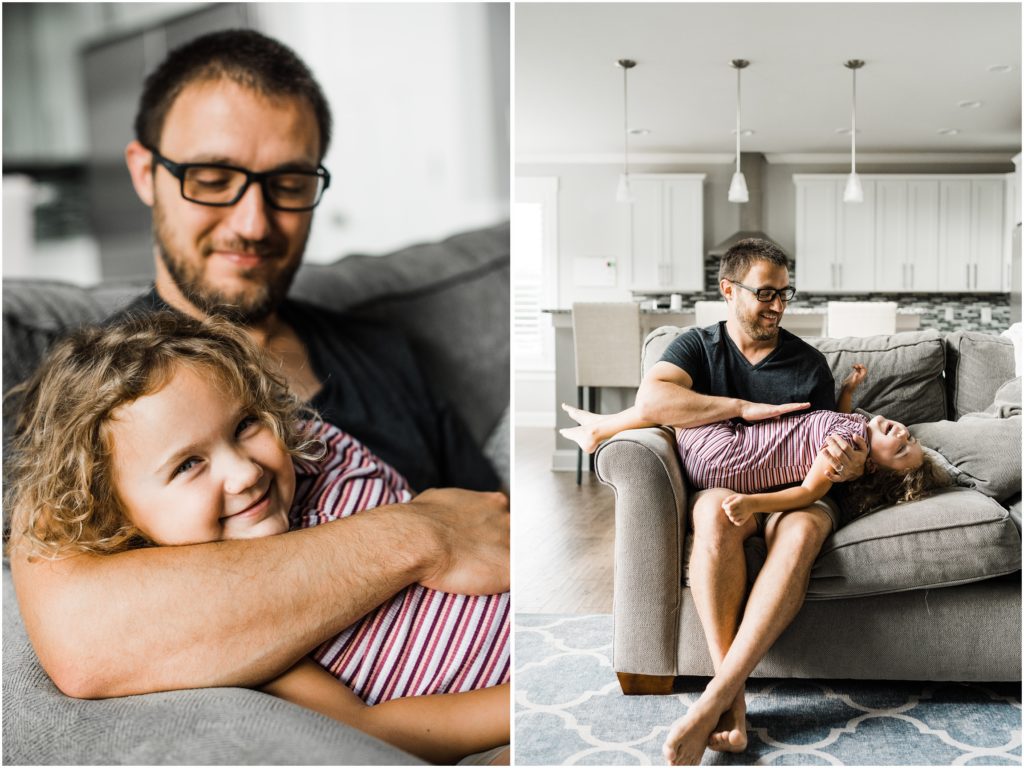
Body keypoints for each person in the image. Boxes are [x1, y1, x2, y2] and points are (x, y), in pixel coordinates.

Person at [7, 28, 510, 709]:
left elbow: (491, 529)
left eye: (289, 183)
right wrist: (415, 534)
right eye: (211, 178)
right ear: (144, 171)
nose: (254, 222)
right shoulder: (99, 401)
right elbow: (85, 643)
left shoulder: (382, 352)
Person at [7, 312, 508, 765]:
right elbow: (372, 731)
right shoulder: (218, 625)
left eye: (246, 424)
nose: (244, 471)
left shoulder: (326, 454)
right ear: (117, 518)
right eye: (188, 464)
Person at [578, 238, 869, 766]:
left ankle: (716, 697)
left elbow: (827, 445)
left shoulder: (808, 364)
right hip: (725, 484)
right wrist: (742, 407)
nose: (778, 306)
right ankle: (733, 705)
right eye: (765, 294)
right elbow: (654, 401)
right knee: (712, 513)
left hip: (797, 491)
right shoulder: (696, 347)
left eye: (785, 294)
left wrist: (845, 465)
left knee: (802, 530)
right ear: (728, 290)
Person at [562, 363, 948, 525]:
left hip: (723, 456)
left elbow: (806, 492)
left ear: (873, 468)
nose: (901, 434)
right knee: (689, 403)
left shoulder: (845, 452)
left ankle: (600, 430)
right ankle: (600, 428)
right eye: (909, 437)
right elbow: (840, 414)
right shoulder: (856, 428)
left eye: (900, 449)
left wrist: (752, 504)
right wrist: (847, 390)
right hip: (721, 453)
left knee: (690, 395)